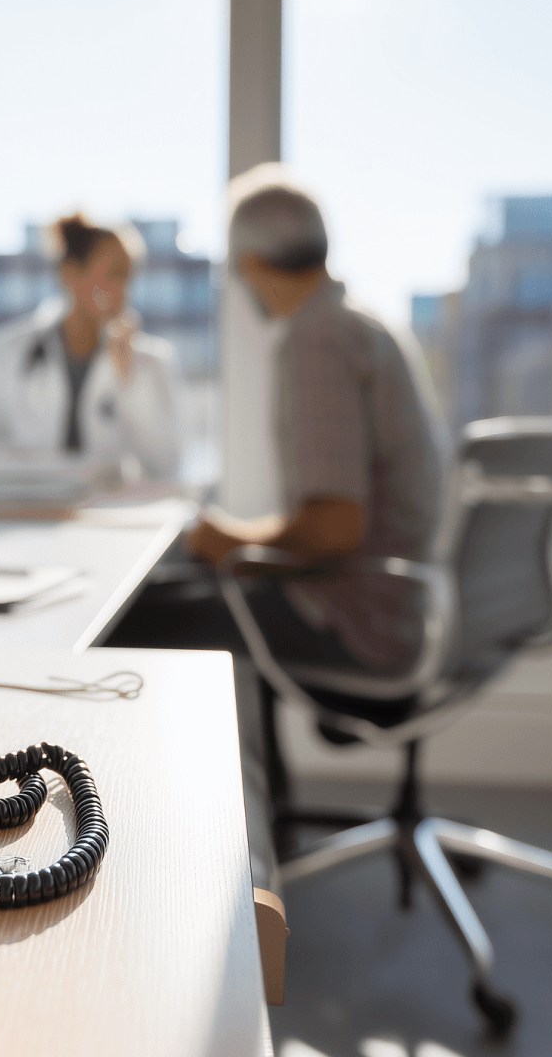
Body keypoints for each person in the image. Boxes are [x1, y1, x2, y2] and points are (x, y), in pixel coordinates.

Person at [185, 168, 448, 676]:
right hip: (399, 615)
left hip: (353, 623)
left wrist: (230, 544)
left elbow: (334, 529)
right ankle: (249, 758)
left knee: (134, 624)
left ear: (247, 264)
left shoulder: (316, 338)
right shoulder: (365, 324)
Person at [0, 214, 182, 485]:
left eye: (128, 278)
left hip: (108, 518)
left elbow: (167, 464)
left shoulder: (150, 362)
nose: (123, 291)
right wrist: (67, 468)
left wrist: (128, 383)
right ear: (71, 274)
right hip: (27, 514)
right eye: (113, 276)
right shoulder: (7, 353)